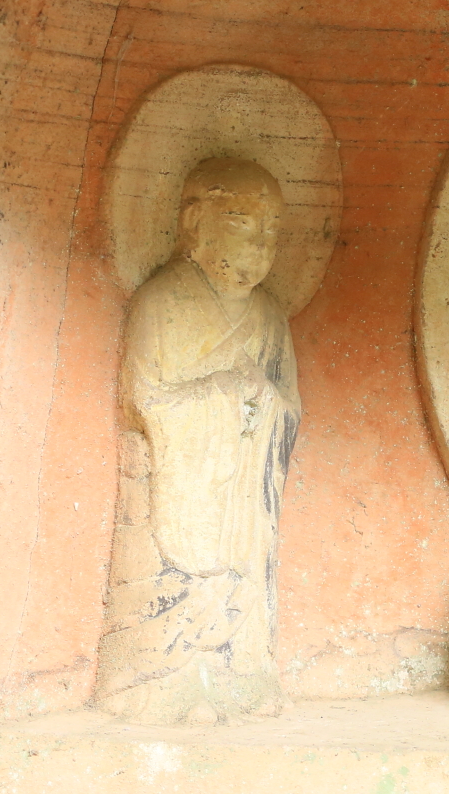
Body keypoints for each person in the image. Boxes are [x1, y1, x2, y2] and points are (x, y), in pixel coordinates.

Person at [94, 157, 301, 725]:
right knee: (169, 574)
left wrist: (261, 404)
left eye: (272, 231)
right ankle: (163, 681)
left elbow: (288, 408)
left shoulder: (270, 318)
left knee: (242, 577)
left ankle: (237, 674)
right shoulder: (161, 303)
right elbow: (142, 399)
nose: (260, 245)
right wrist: (221, 395)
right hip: (177, 487)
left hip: (241, 494)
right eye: (241, 223)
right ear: (193, 222)